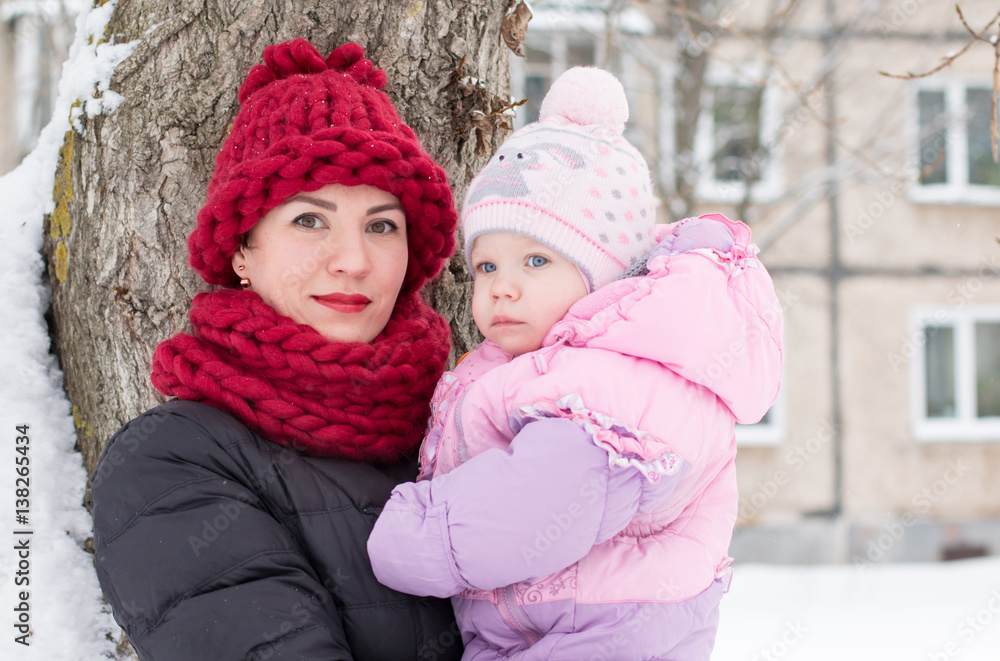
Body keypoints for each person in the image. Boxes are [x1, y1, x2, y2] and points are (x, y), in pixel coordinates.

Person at [367, 67, 784, 659]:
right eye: (488, 266)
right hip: (551, 622)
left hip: (601, 628)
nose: (502, 289)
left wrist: (410, 535)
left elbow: (531, 512)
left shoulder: (612, 388)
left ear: (605, 276)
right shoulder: (557, 364)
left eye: (535, 262)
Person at [90, 39, 464, 660]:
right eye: (309, 220)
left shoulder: (463, 424)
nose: (352, 261)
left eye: (381, 225)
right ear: (242, 250)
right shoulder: (169, 462)